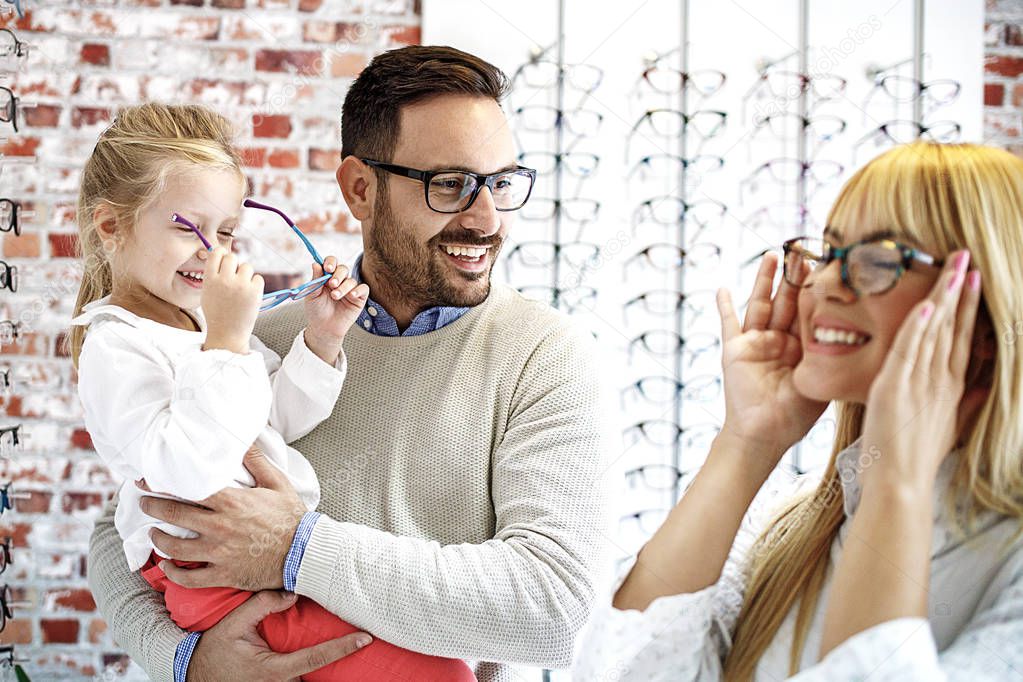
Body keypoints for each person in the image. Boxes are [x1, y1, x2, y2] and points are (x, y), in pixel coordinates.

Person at [87, 46, 607, 681]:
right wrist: (188, 661)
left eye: (499, 182)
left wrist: (296, 548)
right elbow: (123, 528)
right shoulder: (258, 333)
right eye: (450, 184)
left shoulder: (545, 355)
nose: (487, 218)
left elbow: (551, 608)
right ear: (361, 188)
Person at [574, 142, 1023, 680]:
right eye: (830, 254)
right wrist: (746, 442)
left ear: (987, 318)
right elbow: (615, 672)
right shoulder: (789, 525)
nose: (825, 283)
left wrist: (896, 479)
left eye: (878, 260)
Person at [71, 102, 478, 681]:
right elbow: (184, 471)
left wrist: (322, 337)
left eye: (228, 232)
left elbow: (273, 424)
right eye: (189, 229)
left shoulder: (198, 327)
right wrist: (229, 339)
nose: (214, 253)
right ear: (112, 226)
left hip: (260, 570)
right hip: (217, 583)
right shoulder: (118, 346)